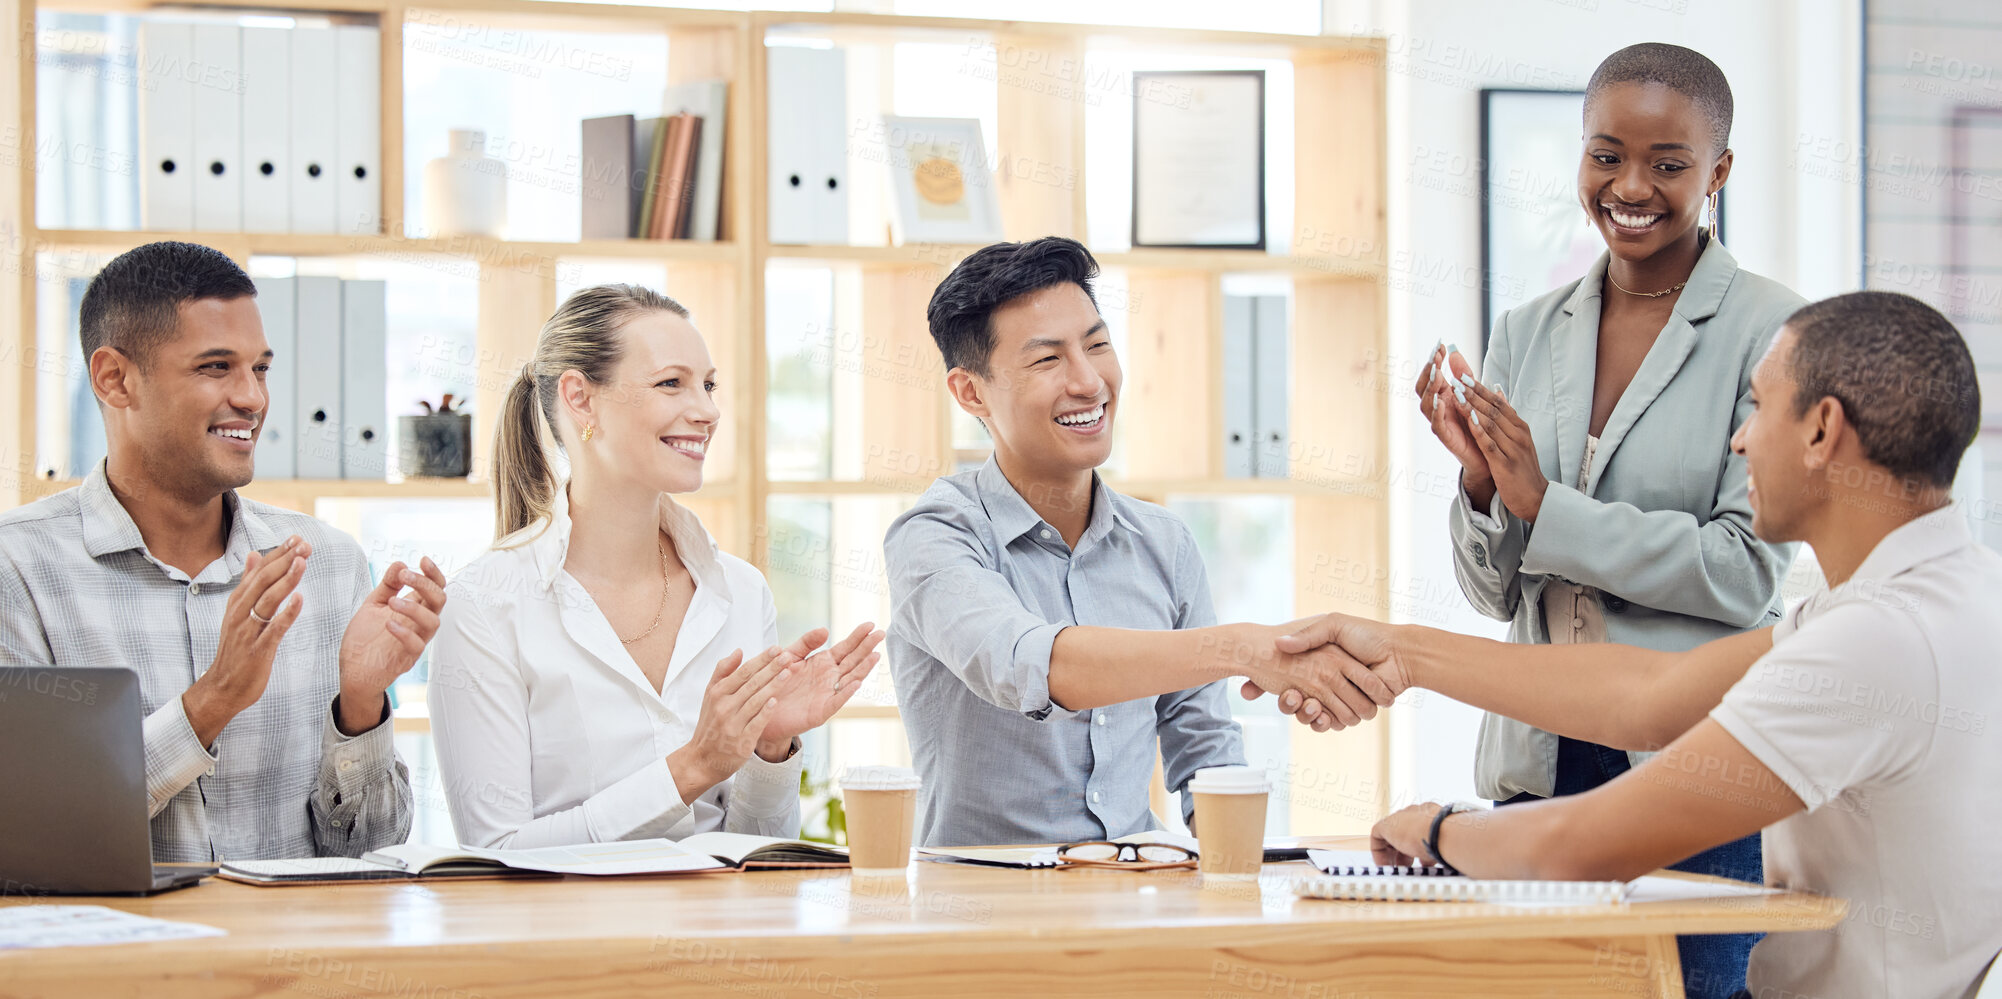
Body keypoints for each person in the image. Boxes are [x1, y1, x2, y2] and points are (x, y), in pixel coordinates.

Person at [1281, 292, 1997, 999]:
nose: (1739, 439)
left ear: (1822, 431)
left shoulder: (1876, 640)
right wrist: (1407, 652)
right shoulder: (1938, 592)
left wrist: (1439, 829)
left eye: (1757, 406)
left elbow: (1582, 848)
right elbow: (1649, 696)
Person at [1416, 44, 1799, 998]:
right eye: (1605, 154)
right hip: (1537, 760)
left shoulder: (1777, 331)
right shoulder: (1528, 327)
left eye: (1668, 164)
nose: (1631, 185)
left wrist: (1547, 504)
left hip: (1694, 767)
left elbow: (1744, 569)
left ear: (1719, 172)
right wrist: (1479, 488)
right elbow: (1494, 590)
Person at [884, 237, 1395, 848]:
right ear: (971, 393)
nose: (1088, 381)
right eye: (1048, 360)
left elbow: (1203, 748)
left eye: (1097, 345)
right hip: (981, 907)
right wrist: (1240, 650)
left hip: (1137, 891)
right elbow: (1031, 664)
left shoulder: (1164, 544)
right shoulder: (935, 537)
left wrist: (1246, 872)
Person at [0, 241, 445, 861]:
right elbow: (30, 839)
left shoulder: (328, 564)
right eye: (215, 367)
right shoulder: (18, 571)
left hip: (298, 958)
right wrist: (213, 700)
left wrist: (361, 706)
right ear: (114, 379)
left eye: (260, 368)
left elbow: (372, 852)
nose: (253, 399)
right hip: (124, 958)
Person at [430, 285, 884, 849]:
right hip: (570, 939)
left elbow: (754, 853)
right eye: (672, 383)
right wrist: (693, 766)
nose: (708, 411)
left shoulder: (740, 591)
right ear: (580, 398)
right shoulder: (484, 603)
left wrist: (768, 747)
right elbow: (495, 852)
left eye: (708, 385)